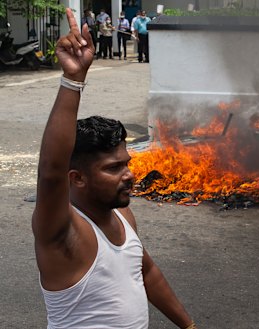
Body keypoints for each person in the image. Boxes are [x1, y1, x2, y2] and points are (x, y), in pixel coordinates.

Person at [32, 8, 198, 329]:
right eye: (113, 168)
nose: (129, 175)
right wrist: (73, 80)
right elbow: (51, 171)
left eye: (126, 164)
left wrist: (189, 326)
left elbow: (145, 270)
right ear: (76, 178)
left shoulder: (123, 215)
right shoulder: (62, 232)